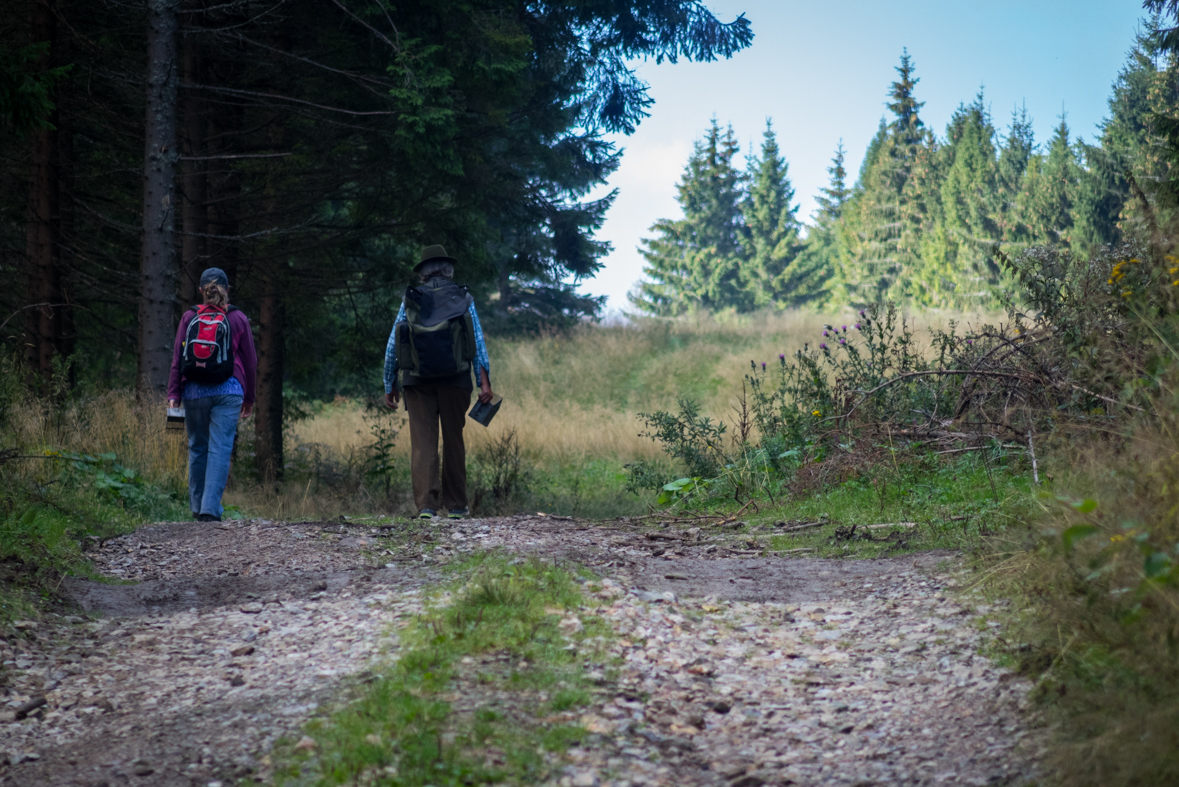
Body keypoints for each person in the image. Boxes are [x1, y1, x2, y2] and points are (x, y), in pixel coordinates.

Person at [384, 245, 493, 519]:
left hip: (416, 380)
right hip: (455, 379)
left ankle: (427, 507)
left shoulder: (411, 298)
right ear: (448, 269)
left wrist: (390, 383)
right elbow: (476, 340)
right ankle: (456, 506)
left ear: (422, 272)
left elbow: (392, 345)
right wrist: (484, 382)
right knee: (454, 439)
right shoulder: (462, 297)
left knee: (423, 442)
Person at [167, 268, 257, 522]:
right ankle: (210, 510)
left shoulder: (189, 317)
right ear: (227, 290)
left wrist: (173, 394)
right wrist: (249, 398)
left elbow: (177, 359)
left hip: (193, 391)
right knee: (220, 448)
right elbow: (250, 362)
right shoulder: (238, 318)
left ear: (201, 291)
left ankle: (197, 508)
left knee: (197, 447)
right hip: (229, 391)